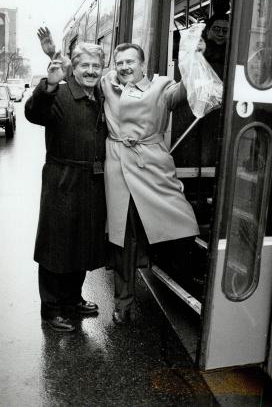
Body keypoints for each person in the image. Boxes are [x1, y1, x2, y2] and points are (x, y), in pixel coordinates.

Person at [102, 43, 199, 324]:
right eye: (119, 62)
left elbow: (186, 91)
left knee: (184, 225)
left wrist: (192, 57)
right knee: (123, 239)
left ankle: (182, 286)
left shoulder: (161, 87)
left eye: (130, 61)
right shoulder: (107, 85)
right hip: (119, 169)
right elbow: (80, 74)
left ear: (143, 64)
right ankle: (123, 303)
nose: (124, 67)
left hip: (153, 167)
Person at [25, 42, 107, 332]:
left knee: (82, 242)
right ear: (74, 67)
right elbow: (33, 113)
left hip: (92, 180)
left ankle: (72, 300)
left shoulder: (100, 94)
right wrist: (48, 84)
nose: (91, 71)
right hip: (62, 179)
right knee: (55, 244)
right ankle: (51, 309)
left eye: (96, 66)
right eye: (85, 65)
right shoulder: (58, 92)